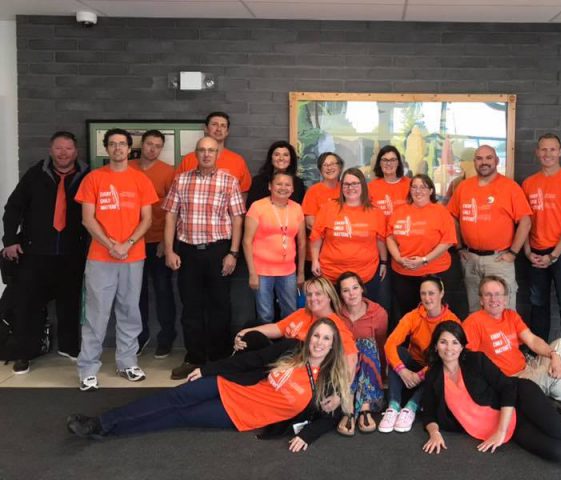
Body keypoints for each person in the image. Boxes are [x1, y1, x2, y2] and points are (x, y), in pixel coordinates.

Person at [66, 318, 351, 451]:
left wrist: (309, 435)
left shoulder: (329, 382)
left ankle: (110, 430)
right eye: (316, 336)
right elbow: (247, 363)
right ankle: (100, 423)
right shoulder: (291, 348)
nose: (319, 342)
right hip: (234, 385)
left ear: (333, 344)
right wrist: (206, 369)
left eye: (326, 339)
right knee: (174, 398)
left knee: (177, 417)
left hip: (241, 415)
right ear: (309, 336)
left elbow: (332, 416)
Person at [421, 321, 561, 463]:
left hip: (518, 397)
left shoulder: (475, 360)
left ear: (463, 345)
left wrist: (500, 431)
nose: (449, 348)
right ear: (436, 345)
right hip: (507, 425)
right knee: (560, 453)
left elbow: (507, 387)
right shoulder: (434, 376)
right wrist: (435, 433)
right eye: (443, 342)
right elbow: (429, 411)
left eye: (455, 342)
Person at [74, 128, 158, 390]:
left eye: (122, 144)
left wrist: (128, 243)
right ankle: (88, 368)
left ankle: (127, 363)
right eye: (113, 144)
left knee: (129, 311)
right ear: (107, 148)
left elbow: (147, 219)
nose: (118, 148)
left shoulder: (141, 180)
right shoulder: (93, 179)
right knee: (96, 315)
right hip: (101, 257)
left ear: (129, 148)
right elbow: (88, 219)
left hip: (133, 257)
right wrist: (112, 245)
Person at [2, 131, 89, 375]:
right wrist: (9, 240)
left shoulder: (87, 175)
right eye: (58, 148)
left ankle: (70, 347)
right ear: (51, 150)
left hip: (73, 253)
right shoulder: (35, 174)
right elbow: (13, 208)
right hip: (36, 253)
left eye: (68, 148)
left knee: (70, 303)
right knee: (29, 305)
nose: (63, 153)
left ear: (76, 151)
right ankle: (24, 353)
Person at [163, 137, 246, 380]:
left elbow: (237, 219)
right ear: (196, 153)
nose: (207, 154)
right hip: (187, 251)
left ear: (218, 154)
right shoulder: (181, 180)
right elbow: (170, 216)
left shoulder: (229, 181)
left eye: (211, 150)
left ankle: (219, 359)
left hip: (218, 251)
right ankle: (194, 358)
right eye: (202, 150)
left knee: (220, 306)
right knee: (191, 307)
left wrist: (233, 253)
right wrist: (169, 250)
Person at [463, 276, 561, 402]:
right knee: (554, 376)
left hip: (528, 367)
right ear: (481, 300)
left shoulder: (510, 315)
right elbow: (467, 360)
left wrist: (554, 355)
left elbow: (532, 340)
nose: (494, 299)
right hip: (513, 381)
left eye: (498, 294)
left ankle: (554, 390)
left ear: (505, 299)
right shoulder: (473, 322)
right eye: (488, 295)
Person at [522, 133, 561, 369]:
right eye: (543, 149)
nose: (547, 154)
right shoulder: (529, 183)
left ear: (560, 152)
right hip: (536, 253)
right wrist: (528, 252)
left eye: (552, 149)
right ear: (537, 152)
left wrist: (553, 255)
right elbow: (524, 222)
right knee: (537, 304)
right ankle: (540, 356)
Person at [448, 145, 532, 313]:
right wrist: (459, 247)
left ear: (496, 161)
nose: (484, 162)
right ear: (474, 162)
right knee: (475, 311)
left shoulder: (510, 187)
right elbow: (451, 217)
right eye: (479, 158)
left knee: (504, 312)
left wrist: (513, 253)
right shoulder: (464, 187)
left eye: (488, 158)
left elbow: (526, 221)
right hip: (470, 259)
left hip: (499, 260)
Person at [380, 277, 459, 434]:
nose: (427, 298)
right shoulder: (413, 316)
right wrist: (402, 370)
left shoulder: (452, 320)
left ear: (441, 293)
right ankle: (393, 406)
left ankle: (411, 407)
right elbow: (390, 343)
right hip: (413, 365)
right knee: (399, 351)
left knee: (443, 361)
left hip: (435, 367)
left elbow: (451, 355)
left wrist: (421, 375)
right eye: (423, 294)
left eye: (432, 293)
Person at [233, 276, 358, 375]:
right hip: (279, 355)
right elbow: (277, 328)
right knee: (252, 329)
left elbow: (351, 357)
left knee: (292, 344)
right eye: (309, 294)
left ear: (329, 297)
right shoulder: (303, 313)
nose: (313, 298)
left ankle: (233, 369)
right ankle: (234, 366)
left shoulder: (334, 325)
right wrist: (244, 332)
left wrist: (340, 393)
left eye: (318, 294)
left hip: (297, 368)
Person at [128, 129, 177, 359]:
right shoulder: (127, 169)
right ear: (141, 144)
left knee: (163, 290)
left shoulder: (168, 172)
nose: (152, 149)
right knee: (135, 293)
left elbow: (173, 211)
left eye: (158, 145)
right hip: (131, 243)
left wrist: (166, 244)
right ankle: (140, 336)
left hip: (157, 241)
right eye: (149, 144)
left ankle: (166, 338)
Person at [310, 168, 387, 303]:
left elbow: (381, 239)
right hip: (331, 275)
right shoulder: (329, 208)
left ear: (362, 185)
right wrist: (315, 260)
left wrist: (384, 262)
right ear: (341, 187)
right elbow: (317, 236)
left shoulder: (375, 212)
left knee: (362, 317)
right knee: (332, 318)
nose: (350, 188)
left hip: (364, 276)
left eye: (355, 184)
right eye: (346, 184)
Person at [387, 174, 457, 321]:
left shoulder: (441, 212)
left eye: (423, 187)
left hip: (433, 272)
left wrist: (424, 259)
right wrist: (398, 259)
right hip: (403, 273)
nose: (418, 191)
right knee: (409, 315)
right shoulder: (399, 211)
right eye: (414, 187)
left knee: (435, 314)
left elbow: (448, 241)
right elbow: (390, 237)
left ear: (431, 190)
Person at [242, 171, 306, 323]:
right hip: (262, 272)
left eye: (287, 185)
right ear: (270, 186)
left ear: (292, 189)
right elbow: (247, 241)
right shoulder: (258, 207)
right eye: (279, 184)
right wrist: (252, 273)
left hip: (288, 271)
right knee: (265, 314)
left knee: (291, 313)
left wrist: (301, 272)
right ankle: (268, 346)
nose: (283, 188)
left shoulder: (297, 208)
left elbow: (302, 242)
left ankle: (289, 346)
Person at [336, 271, 388, 435]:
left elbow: (381, 347)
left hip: (370, 378)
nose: (351, 294)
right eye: (345, 290)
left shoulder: (378, 313)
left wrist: (383, 376)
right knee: (348, 346)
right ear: (340, 295)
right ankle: (349, 404)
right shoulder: (336, 314)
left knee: (365, 344)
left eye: (355, 288)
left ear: (362, 289)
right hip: (344, 375)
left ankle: (363, 406)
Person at [176, 112, 252, 195]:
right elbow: (176, 189)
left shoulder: (238, 160)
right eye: (214, 124)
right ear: (205, 128)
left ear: (227, 132)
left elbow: (243, 193)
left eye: (223, 126)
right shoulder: (188, 159)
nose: (219, 129)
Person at [301, 152, 343, 277]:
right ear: (320, 170)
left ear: (340, 167)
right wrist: (338, 230)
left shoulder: (346, 189)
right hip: (317, 253)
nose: (329, 168)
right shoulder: (313, 191)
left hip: (342, 253)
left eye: (332, 164)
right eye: (325, 165)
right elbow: (310, 223)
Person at [246, 140, 306, 207]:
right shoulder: (258, 181)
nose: (281, 158)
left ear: (291, 160)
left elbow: (300, 209)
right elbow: (251, 207)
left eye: (285, 155)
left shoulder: (298, 183)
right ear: (271, 159)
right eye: (277, 155)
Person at [368, 145, 411, 220]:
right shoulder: (370, 187)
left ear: (398, 163)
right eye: (385, 160)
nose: (388, 163)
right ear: (379, 163)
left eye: (393, 160)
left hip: (404, 230)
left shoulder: (410, 185)